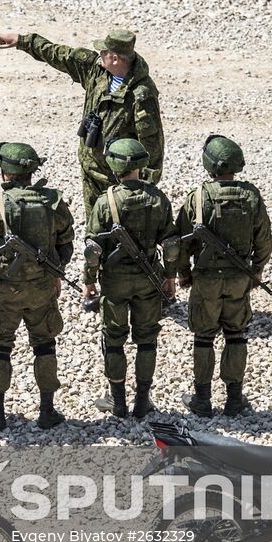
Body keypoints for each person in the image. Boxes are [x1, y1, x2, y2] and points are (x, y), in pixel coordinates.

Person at [0, 27, 164, 214]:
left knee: (121, 229)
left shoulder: (142, 94)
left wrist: (142, 188)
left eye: (104, 52)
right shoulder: (96, 70)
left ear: (115, 59)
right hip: (90, 170)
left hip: (118, 178)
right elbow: (60, 54)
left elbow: (152, 144)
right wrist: (22, 41)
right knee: (95, 229)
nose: (100, 55)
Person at [0, 142, 74, 430]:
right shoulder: (53, 204)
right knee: (45, 345)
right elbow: (66, 242)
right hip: (42, 289)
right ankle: (47, 410)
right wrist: (57, 274)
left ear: (6, 173)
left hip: (5, 291)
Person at [174, 135, 272, 417]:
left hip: (206, 279)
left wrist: (183, 274)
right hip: (239, 278)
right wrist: (257, 270)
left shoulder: (198, 197)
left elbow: (182, 242)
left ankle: (202, 400)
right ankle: (234, 399)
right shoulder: (251, 196)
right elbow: (264, 240)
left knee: (203, 337)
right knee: (236, 335)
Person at [83, 138, 178, 419]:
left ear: (114, 167)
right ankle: (143, 400)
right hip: (148, 281)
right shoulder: (157, 198)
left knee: (113, 339)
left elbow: (93, 250)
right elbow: (171, 244)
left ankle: (119, 401)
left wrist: (89, 281)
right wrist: (170, 276)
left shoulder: (105, 202)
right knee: (147, 339)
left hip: (114, 283)